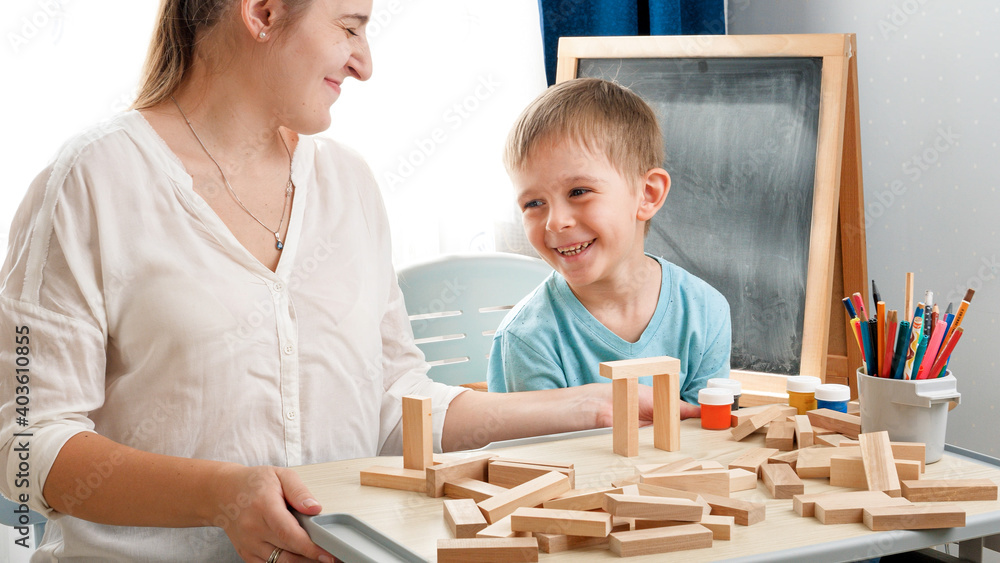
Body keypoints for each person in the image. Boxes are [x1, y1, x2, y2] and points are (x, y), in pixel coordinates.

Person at [0, 2, 656, 561]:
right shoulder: (89, 183)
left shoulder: (350, 186)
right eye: (349, 27)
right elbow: (27, 444)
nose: (364, 62)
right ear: (262, 11)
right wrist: (219, 495)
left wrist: (589, 409)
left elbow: (396, 405)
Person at [487, 78, 732, 408]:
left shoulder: (706, 312)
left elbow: (708, 439)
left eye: (578, 192)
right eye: (533, 203)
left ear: (647, 194)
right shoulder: (526, 339)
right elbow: (544, 458)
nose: (555, 221)